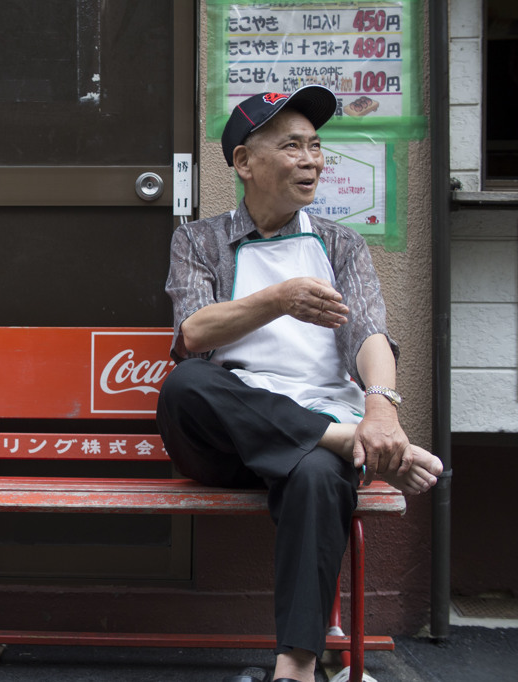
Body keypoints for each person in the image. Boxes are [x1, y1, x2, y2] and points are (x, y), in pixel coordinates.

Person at [155, 85, 443, 682]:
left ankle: (296, 664)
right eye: (292, 146)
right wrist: (279, 299)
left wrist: (382, 411)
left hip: (316, 427)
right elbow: (195, 333)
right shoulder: (200, 241)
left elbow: (369, 334)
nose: (312, 159)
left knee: (315, 473)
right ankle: (339, 439)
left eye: (316, 146)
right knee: (185, 385)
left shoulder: (340, 244)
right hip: (229, 440)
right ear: (244, 163)